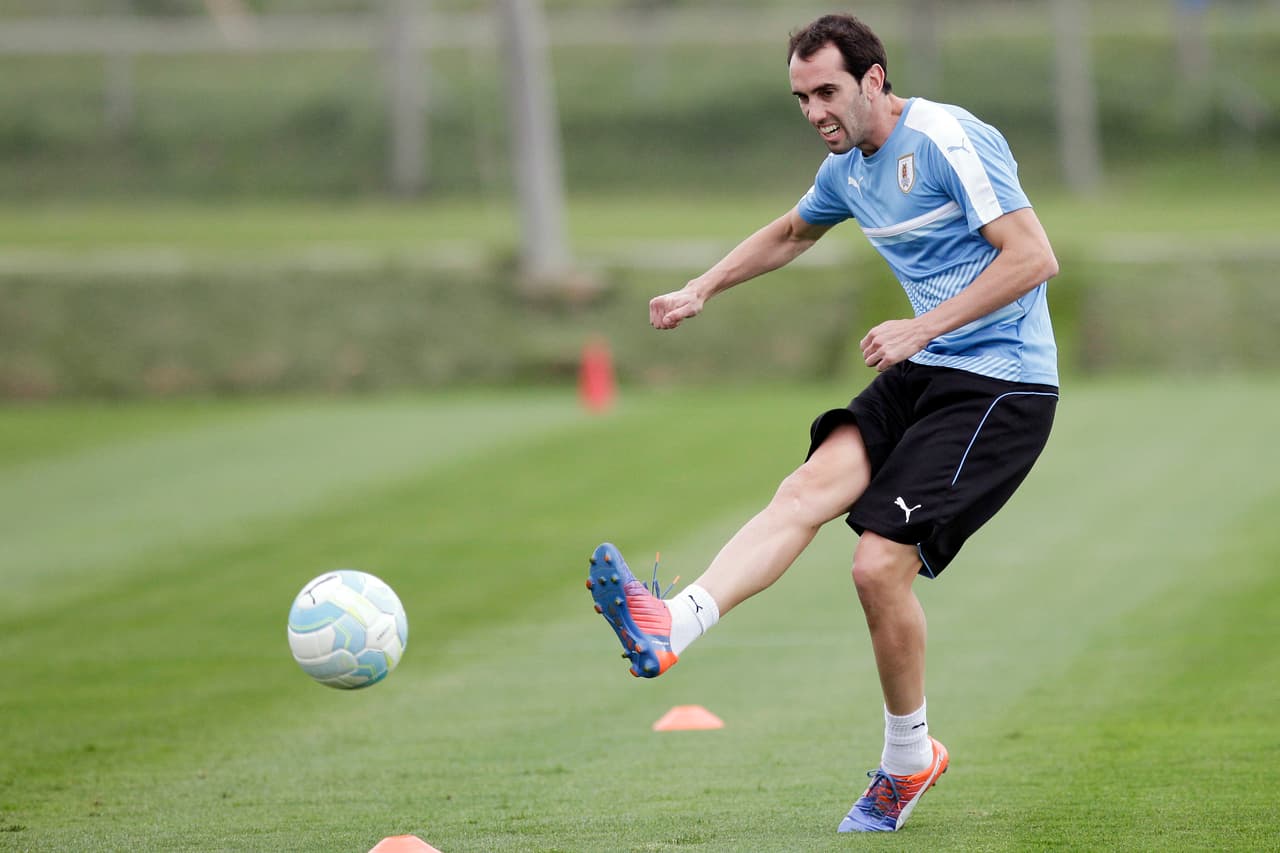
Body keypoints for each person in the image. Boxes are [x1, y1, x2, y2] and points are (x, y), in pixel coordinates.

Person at [585, 13, 1060, 834]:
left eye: (827, 92)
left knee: (877, 568)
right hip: (930, 365)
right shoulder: (847, 166)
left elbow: (1032, 256)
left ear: (874, 79)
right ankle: (674, 624)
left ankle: (908, 761)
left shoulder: (947, 138)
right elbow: (791, 230)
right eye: (802, 97)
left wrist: (922, 326)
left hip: (1003, 385)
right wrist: (702, 286)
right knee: (805, 488)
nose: (814, 112)